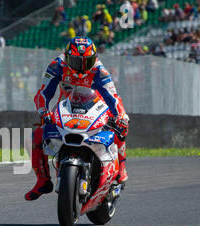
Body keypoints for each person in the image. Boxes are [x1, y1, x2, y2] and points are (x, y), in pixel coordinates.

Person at [25, 36, 129, 201]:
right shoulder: (57, 66)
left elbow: (114, 98)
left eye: (86, 62)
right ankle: (43, 181)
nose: (81, 68)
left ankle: (121, 169)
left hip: (96, 109)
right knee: (37, 135)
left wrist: (121, 117)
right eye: (76, 61)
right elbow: (43, 93)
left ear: (94, 59)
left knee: (119, 129)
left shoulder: (99, 71)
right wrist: (43, 111)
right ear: (66, 58)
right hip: (67, 108)